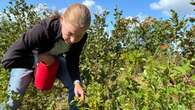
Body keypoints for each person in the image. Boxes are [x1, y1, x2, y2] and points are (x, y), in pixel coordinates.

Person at [0, 3, 91, 110]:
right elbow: (8, 60)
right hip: (28, 58)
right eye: (70, 33)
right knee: (11, 101)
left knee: (75, 89)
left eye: (79, 36)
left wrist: (77, 82)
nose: (73, 40)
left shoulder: (81, 37)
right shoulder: (43, 30)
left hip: (55, 59)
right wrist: (40, 58)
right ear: (62, 20)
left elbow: (72, 59)